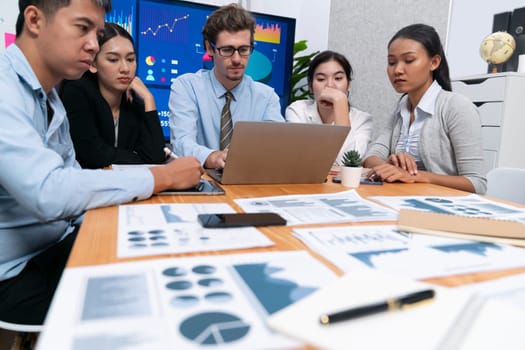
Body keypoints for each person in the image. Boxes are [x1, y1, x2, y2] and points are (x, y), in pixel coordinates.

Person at [0, 0, 202, 325]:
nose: (93, 45)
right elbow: (51, 192)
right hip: (16, 274)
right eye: (83, 28)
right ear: (35, 20)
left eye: (96, 33)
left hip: (56, 244)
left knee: (171, 259)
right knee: (156, 300)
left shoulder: (50, 97)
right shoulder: (5, 90)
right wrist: (161, 177)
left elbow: (75, 178)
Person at [363, 23, 487, 194]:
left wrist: (419, 176)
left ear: (434, 62)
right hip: (403, 199)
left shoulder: (456, 107)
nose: (397, 70)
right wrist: (388, 167)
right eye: (392, 62)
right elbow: (371, 156)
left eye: (409, 60)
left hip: (442, 208)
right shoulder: (402, 108)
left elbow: (477, 183)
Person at [169, 3, 284, 170]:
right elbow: (181, 142)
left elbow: (276, 147)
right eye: (228, 50)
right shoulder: (186, 87)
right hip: (202, 182)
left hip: (251, 182)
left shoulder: (267, 97)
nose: (237, 59)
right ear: (210, 48)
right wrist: (213, 157)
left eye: (244, 49)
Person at [61, 22, 166, 169]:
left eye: (130, 59)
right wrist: (140, 159)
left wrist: (149, 99)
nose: (125, 69)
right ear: (93, 64)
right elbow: (94, 154)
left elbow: (157, 156)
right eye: (113, 60)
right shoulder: (76, 91)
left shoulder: (132, 103)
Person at [286, 50, 372, 165]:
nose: (330, 85)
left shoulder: (362, 120)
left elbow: (348, 163)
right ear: (311, 86)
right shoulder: (297, 110)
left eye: (338, 78)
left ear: (349, 85)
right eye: (321, 79)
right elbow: (297, 159)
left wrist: (340, 104)